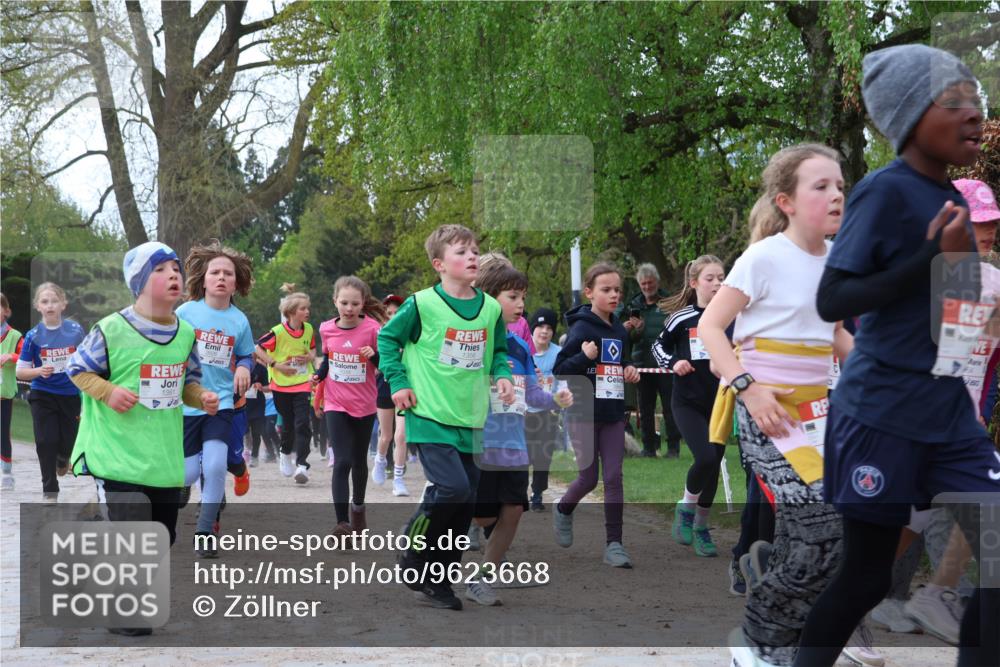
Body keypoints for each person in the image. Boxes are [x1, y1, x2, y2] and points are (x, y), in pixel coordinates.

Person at [793, 45, 1000, 667]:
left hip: (948, 416)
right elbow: (833, 299)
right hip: (879, 415)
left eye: (976, 100)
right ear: (911, 117)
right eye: (954, 102)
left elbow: (957, 323)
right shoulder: (883, 193)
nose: (974, 114)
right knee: (867, 579)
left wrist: (964, 284)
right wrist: (926, 261)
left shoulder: (958, 205)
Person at [698, 143, 856, 667]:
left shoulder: (836, 262)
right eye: (821, 186)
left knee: (817, 533)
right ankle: (757, 638)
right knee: (825, 530)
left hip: (818, 411)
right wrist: (749, 386)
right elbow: (710, 327)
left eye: (839, 185)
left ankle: (785, 641)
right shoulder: (763, 257)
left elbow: (834, 333)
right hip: (765, 408)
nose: (836, 194)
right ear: (785, 201)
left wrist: (877, 376)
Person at [66, 241, 219, 636]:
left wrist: (201, 397)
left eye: (175, 268)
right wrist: (108, 391)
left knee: (162, 534)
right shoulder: (111, 328)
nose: (173, 275)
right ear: (138, 283)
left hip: (162, 458)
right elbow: (78, 370)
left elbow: (190, 383)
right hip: (116, 454)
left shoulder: (186, 333)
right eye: (160, 269)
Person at [378, 224, 514, 611]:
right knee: (451, 489)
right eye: (461, 251)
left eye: (474, 250)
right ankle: (413, 548)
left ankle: (438, 580)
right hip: (428, 412)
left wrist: (502, 375)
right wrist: (398, 381)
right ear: (439, 264)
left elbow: (499, 351)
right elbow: (388, 340)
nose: (472, 256)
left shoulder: (489, 308)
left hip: (470, 417)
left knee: (466, 502)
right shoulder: (421, 304)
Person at [467, 264, 572, 606]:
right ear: (489, 296)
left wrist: (554, 398)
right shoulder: (474, 342)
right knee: (483, 516)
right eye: (513, 297)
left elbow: (532, 394)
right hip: (479, 442)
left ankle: (481, 580)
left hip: (513, 444)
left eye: (523, 297)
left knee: (513, 510)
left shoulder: (520, 348)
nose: (521, 304)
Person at [552, 262, 642, 568]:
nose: (614, 295)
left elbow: (623, 361)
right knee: (589, 478)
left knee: (614, 476)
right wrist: (584, 356)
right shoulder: (581, 328)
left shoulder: (619, 328)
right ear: (589, 292)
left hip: (614, 412)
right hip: (583, 413)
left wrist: (628, 368)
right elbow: (561, 369)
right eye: (606, 290)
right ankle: (564, 509)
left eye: (617, 289)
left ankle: (614, 544)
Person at [176, 241, 255, 556]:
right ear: (204, 278)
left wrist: (244, 369)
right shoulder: (185, 312)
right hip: (184, 404)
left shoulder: (239, 321)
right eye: (215, 272)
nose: (221, 277)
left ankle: (205, 532)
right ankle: (181, 486)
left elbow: (246, 355)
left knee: (215, 465)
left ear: (236, 282)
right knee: (189, 473)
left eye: (228, 273)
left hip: (220, 403)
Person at [651, 255, 728, 557]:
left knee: (713, 468)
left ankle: (702, 527)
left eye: (721, 277)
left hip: (720, 402)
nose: (718, 283)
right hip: (687, 402)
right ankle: (685, 508)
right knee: (706, 459)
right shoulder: (681, 318)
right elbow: (657, 346)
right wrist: (674, 362)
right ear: (695, 283)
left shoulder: (730, 318)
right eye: (710, 278)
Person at [313, 276, 386, 538]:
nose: (349, 308)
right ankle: (342, 523)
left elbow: (386, 366)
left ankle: (358, 508)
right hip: (336, 402)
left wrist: (374, 356)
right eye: (344, 302)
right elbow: (329, 359)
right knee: (342, 461)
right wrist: (320, 376)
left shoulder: (373, 329)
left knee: (358, 461)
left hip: (364, 404)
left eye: (355, 303)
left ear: (363, 303)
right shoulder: (325, 329)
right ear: (335, 302)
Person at [16, 283, 85, 501]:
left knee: (68, 441)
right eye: (44, 301)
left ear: (63, 304)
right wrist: (39, 370)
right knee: (46, 441)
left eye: (54, 301)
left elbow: (86, 359)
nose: (50, 305)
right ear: (38, 306)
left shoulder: (75, 331)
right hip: (42, 394)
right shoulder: (33, 336)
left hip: (70, 395)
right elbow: (21, 372)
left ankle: (63, 459)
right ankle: (50, 490)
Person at [617, 264, 682, 458]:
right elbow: (627, 339)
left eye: (650, 283)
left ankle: (673, 448)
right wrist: (633, 329)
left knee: (670, 407)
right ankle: (648, 448)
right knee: (645, 409)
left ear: (657, 282)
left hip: (666, 364)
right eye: (643, 284)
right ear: (639, 284)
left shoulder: (670, 302)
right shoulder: (633, 305)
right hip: (642, 366)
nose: (647, 287)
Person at [255, 286, 316, 484]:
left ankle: (302, 465)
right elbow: (258, 348)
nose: (307, 312)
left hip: (302, 383)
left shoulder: (308, 329)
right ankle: (284, 452)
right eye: (303, 309)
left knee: (302, 423)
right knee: (288, 425)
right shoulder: (278, 332)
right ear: (291, 312)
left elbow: (313, 352)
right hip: (281, 385)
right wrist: (276, 365)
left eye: (308, 308)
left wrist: (307, 357)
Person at [526, 307, 563, 511]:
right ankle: (516, 493)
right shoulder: (523, 350)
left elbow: (563, 382)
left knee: (543, 455)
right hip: (523, 412)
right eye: (540, 326)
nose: (544, 331)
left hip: (548, 412)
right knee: (523, 455)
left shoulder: (558, 353)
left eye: (549, 327)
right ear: (532, 329)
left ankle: (538, 493)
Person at [372, 293, 409, 497]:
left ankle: (399, 479)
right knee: (386, 436)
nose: (393, 316)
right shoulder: (380, 334)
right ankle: (380, 459)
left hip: (404, 387)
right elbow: (377, 363)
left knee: (401, 435)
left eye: (397, 312)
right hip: (385, 387)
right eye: (389, 313)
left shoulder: (410, 333)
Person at [0, 293, 23, 489]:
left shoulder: (15, 336)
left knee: (2, 434)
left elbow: (26, 357)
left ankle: (6, 474)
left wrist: (11, 356)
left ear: (6, 311)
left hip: (3, 395)